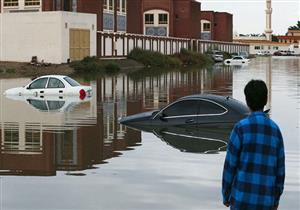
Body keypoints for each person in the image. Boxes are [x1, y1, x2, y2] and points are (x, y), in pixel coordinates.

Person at [222, 80, 285, 210]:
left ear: (247, 100)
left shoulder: (240, 128)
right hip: (266, 202)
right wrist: (276, 199)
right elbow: (280, 171)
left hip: (241, 200)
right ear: (265, 99)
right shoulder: (275, 130)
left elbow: (230, 166)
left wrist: (226, 195)